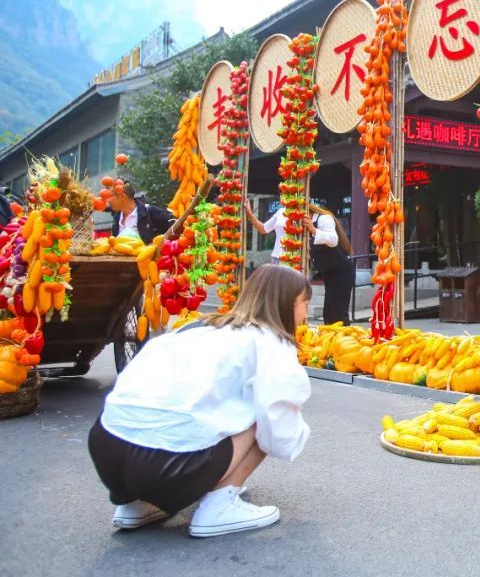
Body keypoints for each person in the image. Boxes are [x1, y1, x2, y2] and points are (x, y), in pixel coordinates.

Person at [87, 264, 312, 538]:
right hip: (170, 466)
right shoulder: (271, 342)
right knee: (264, 413)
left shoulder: (197, 327)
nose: (306, 314)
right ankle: (219, 507)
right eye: (304, 303)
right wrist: (296, 434)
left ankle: (137, 504)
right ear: (286, 303)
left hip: (107, 448)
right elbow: (279, 428)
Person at [305, 204, 353, 326]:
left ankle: (344, 341)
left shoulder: (323, 218)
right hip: (329, 271)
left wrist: (314, 230)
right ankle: (332, 340)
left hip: (341, 269)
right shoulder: (307, 225)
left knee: (339, 312)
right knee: (329, 313)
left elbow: (333, 240)